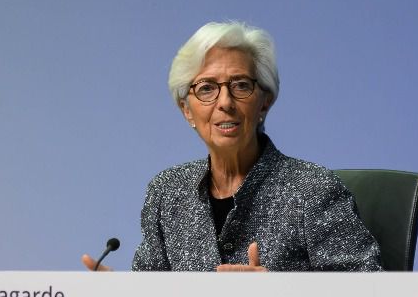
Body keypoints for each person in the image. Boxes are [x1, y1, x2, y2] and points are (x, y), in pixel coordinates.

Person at [83, 21, 381, 272]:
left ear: (265, 101)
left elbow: (369, 294)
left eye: (240, 85)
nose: (225, 102)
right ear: (187, 110)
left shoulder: (313, 190)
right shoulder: (166, 193)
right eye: (207, 88)